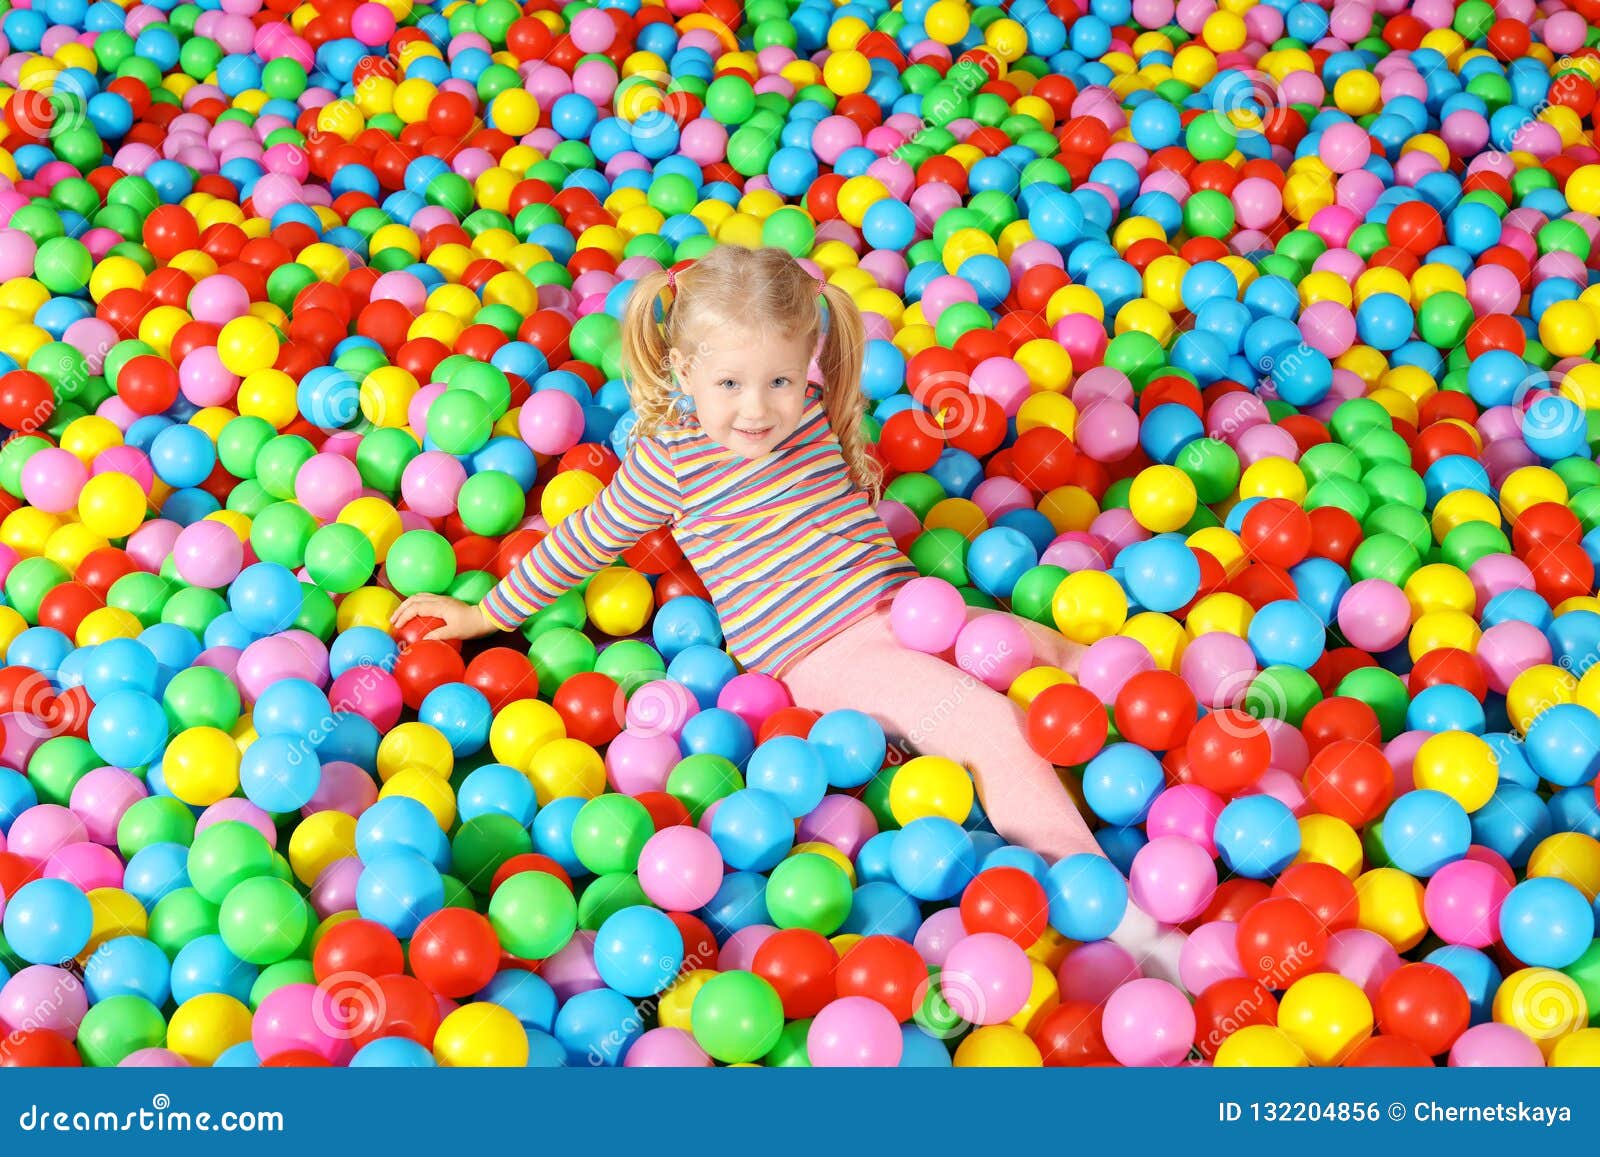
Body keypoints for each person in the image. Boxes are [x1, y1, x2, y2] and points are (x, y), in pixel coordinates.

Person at [392, 245, 1106, 866]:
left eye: (778, 382)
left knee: (1074, 662)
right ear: (682, 370)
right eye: (728, 384)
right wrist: (485, 611)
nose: (756, 409)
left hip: (913, 606)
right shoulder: (671, 460)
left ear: (809, 367)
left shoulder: (814, 409)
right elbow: (584, 537)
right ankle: (1110, 908)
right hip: (825, 651)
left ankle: (1199, 742)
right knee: (993, 728)